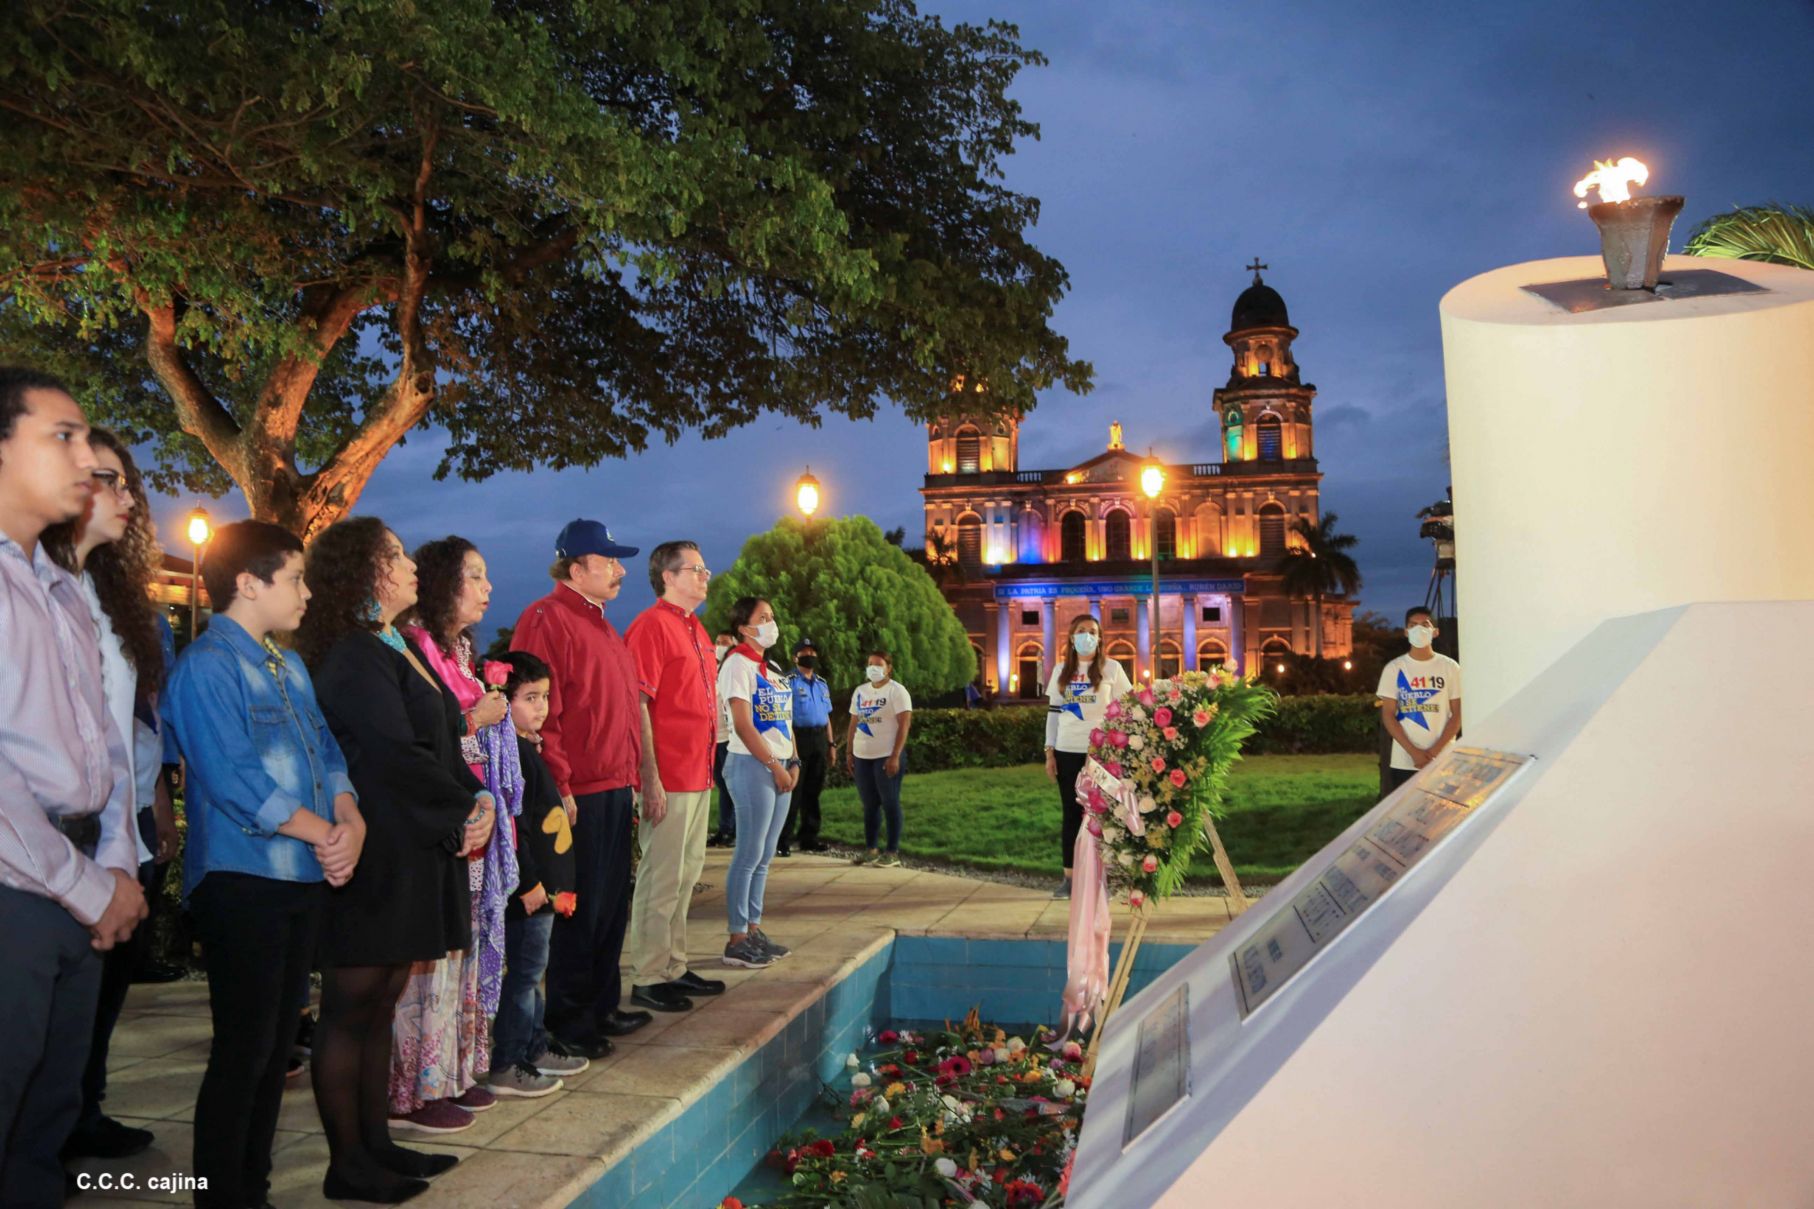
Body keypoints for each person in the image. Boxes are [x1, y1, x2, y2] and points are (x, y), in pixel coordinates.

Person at [163, 520, 366, 1208]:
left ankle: (253, 1186)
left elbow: (328, 752)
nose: (307, 592)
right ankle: (223, 1194)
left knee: (279, 1045)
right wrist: (325, 834)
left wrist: (351, 819)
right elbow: (233, 778)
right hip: (242, 879)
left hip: (300, 876)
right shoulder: (206, 666)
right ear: (248, 584)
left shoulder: (289, 663)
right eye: (295, 578)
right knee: (244, 1047)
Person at [298, 518, 494, 1201]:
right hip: (375, 849)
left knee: (379, 1002)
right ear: (370, 570)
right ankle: (346, 1163)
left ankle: (376, 1142)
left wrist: (475, 796)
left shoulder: (395, 642)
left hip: (411, 843)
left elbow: (438, 741)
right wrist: (464, 806)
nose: (412, 563)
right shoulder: (354, 653)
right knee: (350, 1004)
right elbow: (388, 753)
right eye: (399, 555)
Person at [0, 367, 145, 1206]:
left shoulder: (61, 592)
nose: (87, 457)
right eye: (63, 436)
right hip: (19, 892)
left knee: (45, 1129)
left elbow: (108, 755)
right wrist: (86, 883)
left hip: (77, 884)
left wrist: (118, 865)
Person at [42, 429, 177, 1163]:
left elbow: (123, 743)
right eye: (110, 480)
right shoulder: (31, 586)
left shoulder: (111, 597)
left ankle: (79, 1117)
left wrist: (126, 849)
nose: (128, 497)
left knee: (91, 1008)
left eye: (127, 484)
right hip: (42, 849)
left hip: (110, 836)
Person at [510, 519, 651, 1057]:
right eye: (609, 561)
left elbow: (616, 710)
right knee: (579, 907)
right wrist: (560, 785)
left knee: (612, 903)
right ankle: (569, 1021)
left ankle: (601, 1005)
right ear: (576, 568)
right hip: (578, 792)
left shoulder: (603, 625)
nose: (620, 570)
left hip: (615, 786)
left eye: (619, 561)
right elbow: (541, 712)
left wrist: (633, 778)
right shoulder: (548, 619)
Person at [389, 537, 515, 1130]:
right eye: (478, 576)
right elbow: (422, 742)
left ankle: (457, 1072)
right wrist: (476, 719)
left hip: (476, 819)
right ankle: (415, 1088)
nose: (488, 588)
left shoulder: (461, 649)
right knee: (430, 958)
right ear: (446, 583)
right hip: (441, 821)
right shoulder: (413, 646)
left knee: (464, 947)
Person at [624, 541, 727, 1012]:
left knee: (687, 876)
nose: (706, 576)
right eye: (696, 569)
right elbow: (639, 704)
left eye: (706, 569)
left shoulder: (696, 629)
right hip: (669, 773)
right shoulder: (651, 627)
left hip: (699, 773)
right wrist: (651, 777)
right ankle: (648, 974)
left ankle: (674, 965)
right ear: (667, 576)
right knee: (661, 877)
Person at [485, 651, 580, 1097]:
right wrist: (530, 883)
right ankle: (507, 1059)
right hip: (532, 887)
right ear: (503, 700)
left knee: (532, 971)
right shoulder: (513, 752)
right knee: (523, 975)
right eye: (529, 697)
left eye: (544, 696)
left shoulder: (527, 746)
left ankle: (535, 1045)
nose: (540, 707)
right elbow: (515, 826)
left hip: (547, 886)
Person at [717, 597, 797, 969]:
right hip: (752, 765)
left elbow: (786, 719)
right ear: (744, 628)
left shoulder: (773, 667)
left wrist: (792, 761)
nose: (771, 623)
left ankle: (753, 928)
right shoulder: (736, 664)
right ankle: (736, 937)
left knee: (765, 855)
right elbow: (744, 724)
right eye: (762, 618)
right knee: (748, 854)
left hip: (779, 765)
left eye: (772, 617)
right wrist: (773, 765)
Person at [1043, 615, 1133, 899]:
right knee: (1071, 815)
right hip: (1067, 751)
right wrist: (1049, 752)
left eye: (1092, 632)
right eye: (1081, 631)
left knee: (1103, 815)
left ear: (1100, 637)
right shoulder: (1060, 671)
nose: (1087, 636)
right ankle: (1069, 879)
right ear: (1071, 637)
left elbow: (1127, 708)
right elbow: (1053, 716)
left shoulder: (1112, 669)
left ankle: (1104, 877)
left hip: (1101, 753)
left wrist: (1122, 744)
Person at [1377, 606, 1464, 792]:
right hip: (1404, 762)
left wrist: (1434, 752)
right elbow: (1388, 715)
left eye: (1425, 624)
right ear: (1406, 632)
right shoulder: (1394, 669)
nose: (1419, 630)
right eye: (1413, 625)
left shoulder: (1450, 668)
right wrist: (1414, 753)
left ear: (1435, 632)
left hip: (1443, 759)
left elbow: (1457, 714)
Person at [845, 651, 914, 868]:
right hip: (862, 755)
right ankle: (871, 849)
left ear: (888, 668)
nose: (873, 668)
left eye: (878, 664)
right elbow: (854, 722)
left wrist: (895, 755)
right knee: (869, 804)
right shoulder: (860, 691)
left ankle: (892, 851)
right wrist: (849, 752)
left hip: (886, 756)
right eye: (870, 664)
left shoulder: (897, 691)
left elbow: (904, 725)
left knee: (890, 802)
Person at [777, 638, 832, 856]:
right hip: (798, 738)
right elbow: (784, 715)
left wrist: (831, 743)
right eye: (804, 651)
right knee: (794, 791)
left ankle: (809, 837)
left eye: (813, 651)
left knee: (813, 790)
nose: (810, 655)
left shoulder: (821, 682)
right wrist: (792, 749)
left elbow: (827, 715)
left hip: (819, 737)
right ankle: (783, 840)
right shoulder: (788, 681)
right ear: (795, 657)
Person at [705, 631, 738, 848]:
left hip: (730, 737)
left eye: (724, 643)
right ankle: (724, 828)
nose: (719, 646)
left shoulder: (734, 669)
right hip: (714, 738)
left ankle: (734, 830)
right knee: (722, 785)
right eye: (717, 642)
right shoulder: (713, 670)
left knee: (732, 786)